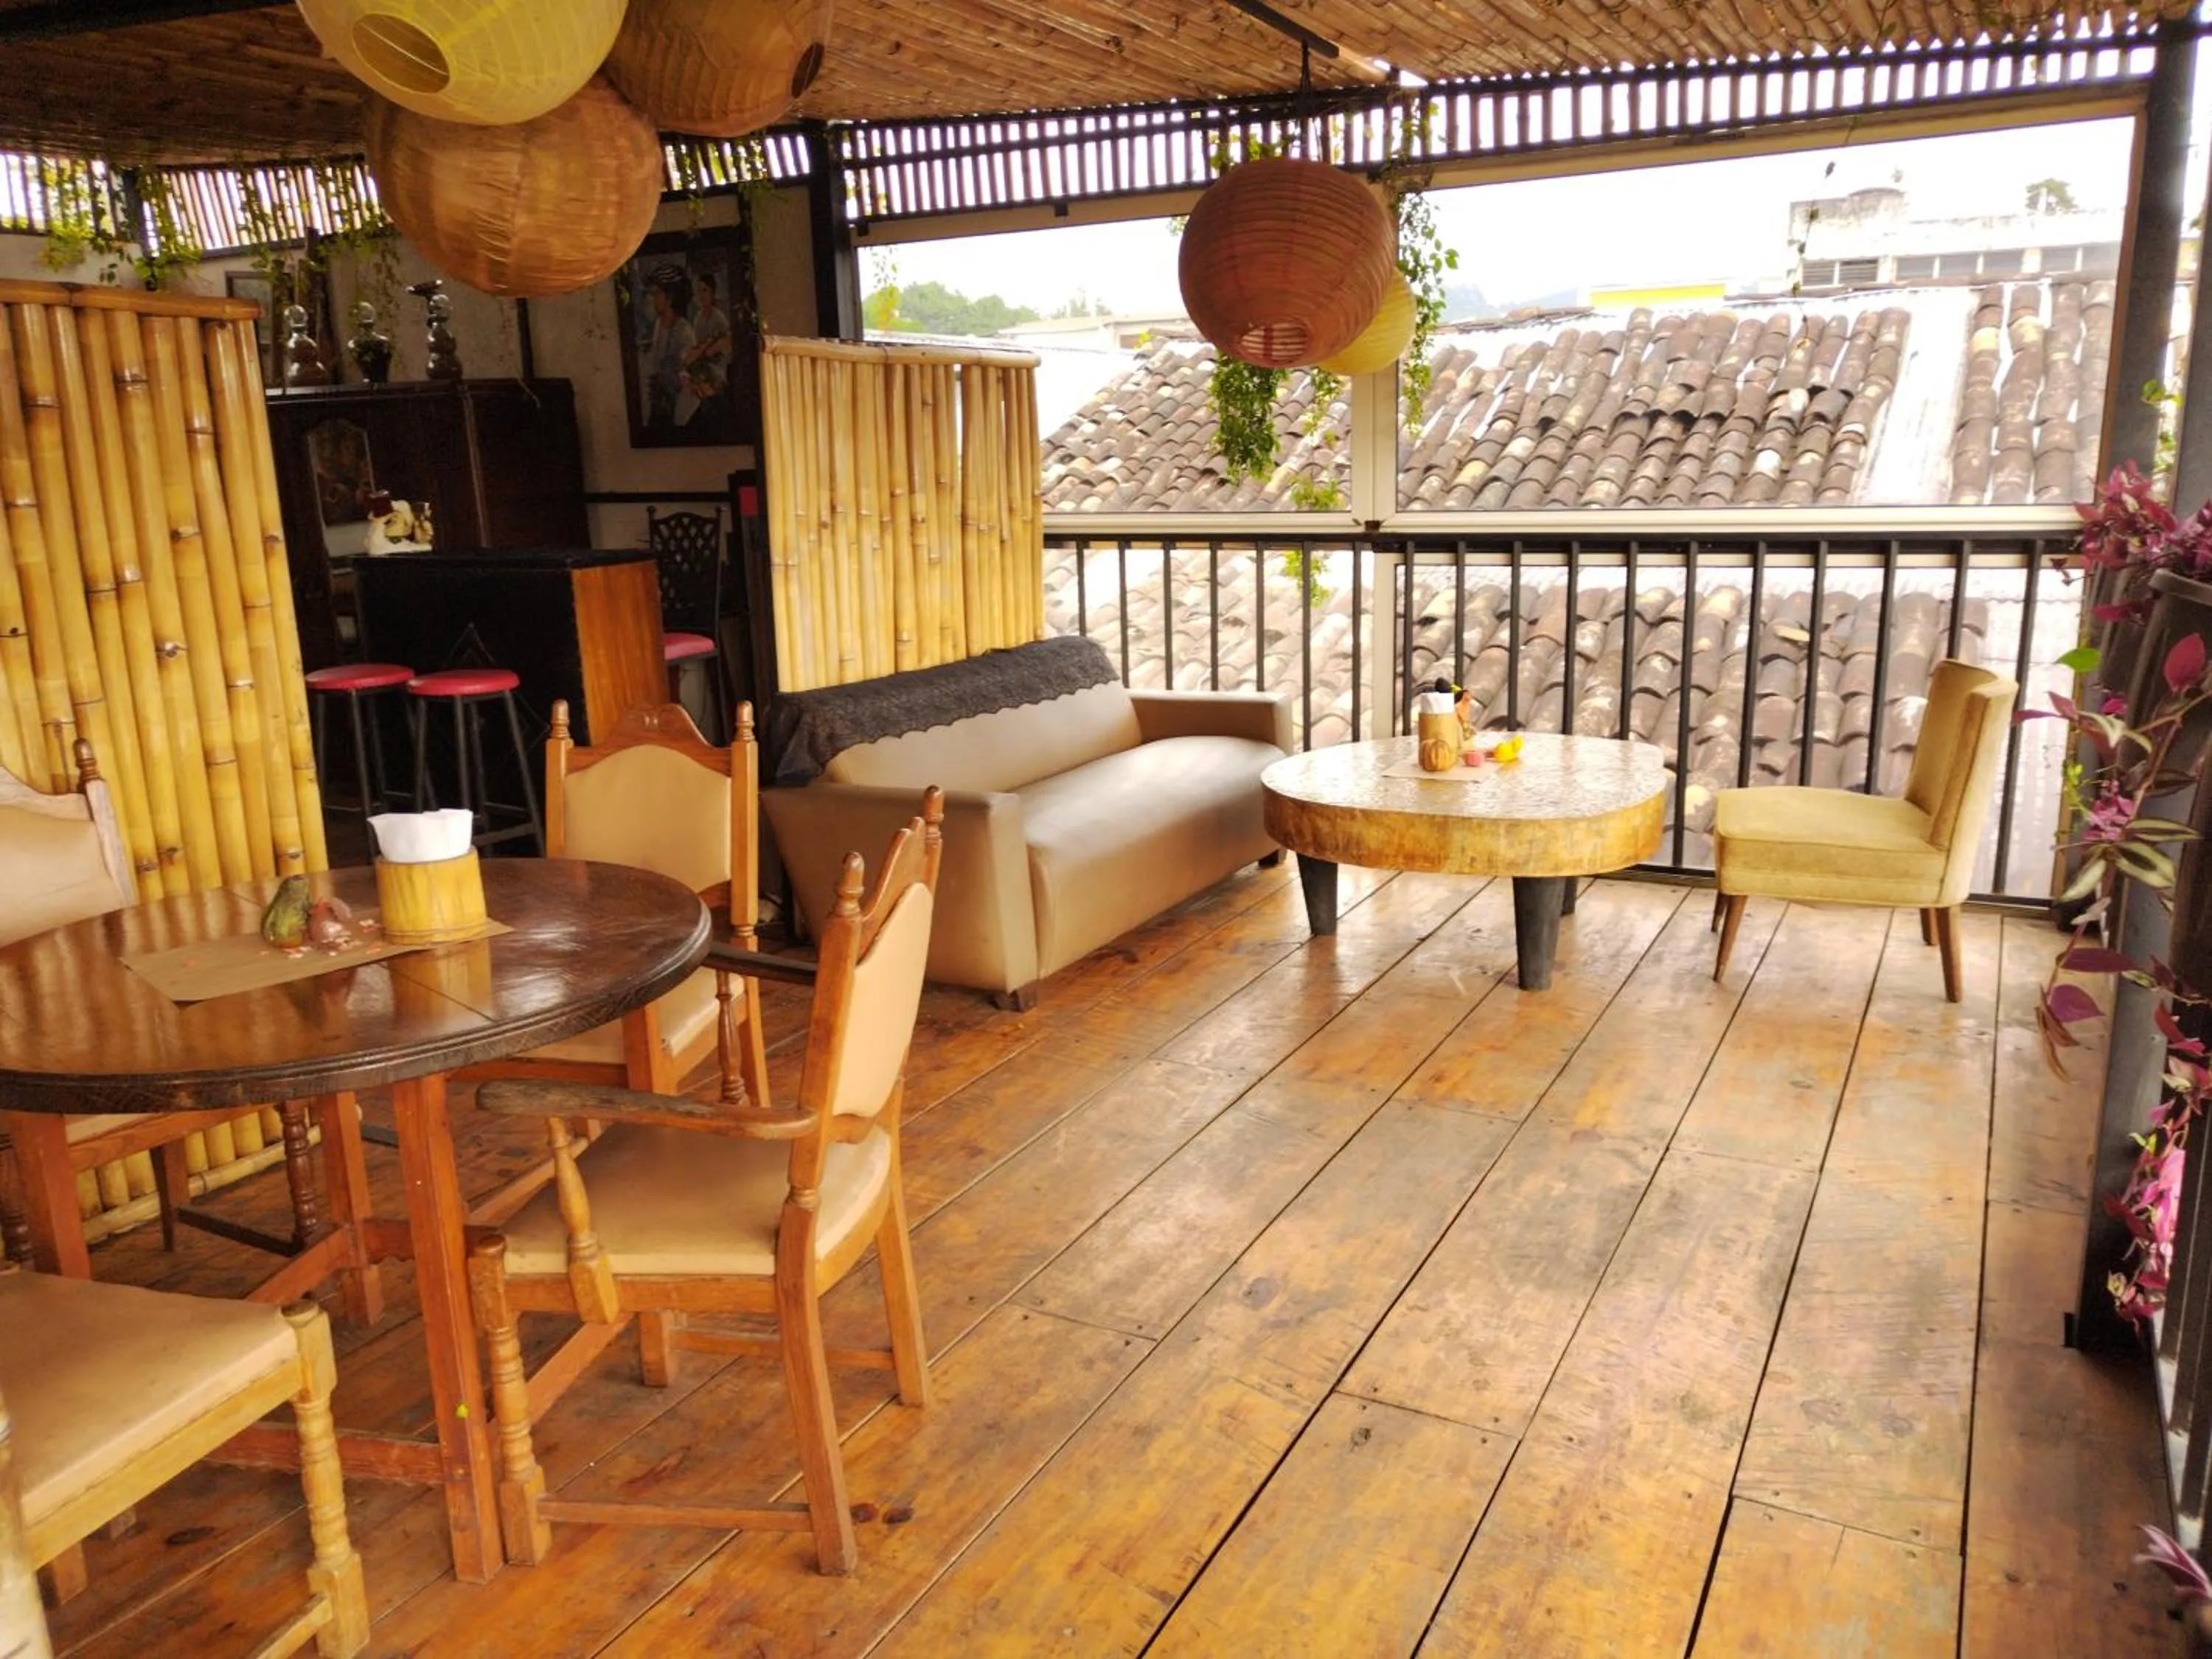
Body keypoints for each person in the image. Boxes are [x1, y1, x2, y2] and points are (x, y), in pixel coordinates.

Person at [639, 264, 695, 430]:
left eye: (657, 294)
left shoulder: (684, 331)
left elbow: (687, 379)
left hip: (676, 411)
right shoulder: (658, 325)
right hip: (658, 408)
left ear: (670, 297)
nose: (653, 299)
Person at [681, 268, 732, 425]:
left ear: (712, 292)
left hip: (715, 371)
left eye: (705, 290)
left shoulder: (719, 318)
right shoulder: (699, 318)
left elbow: (723, 346)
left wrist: (709, 348)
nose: (701, 295)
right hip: (701, 367)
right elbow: (697, 346)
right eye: (699, 291)